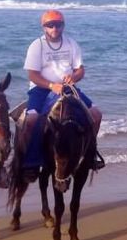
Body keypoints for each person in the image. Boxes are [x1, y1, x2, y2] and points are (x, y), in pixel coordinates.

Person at [21, 10, 104, 170]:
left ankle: (89, 153)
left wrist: (74, 77)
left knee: (96, 115)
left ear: (63, 26)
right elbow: (32, 74)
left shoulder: (71, 43)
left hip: (67, 88)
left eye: (58, 25)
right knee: (32, 120)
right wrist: (52, 86)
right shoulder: (36, 45)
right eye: (50, 25)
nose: (54, 29)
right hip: (41, 89)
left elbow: (80, 69)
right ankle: (30, 161)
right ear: (44, 27)